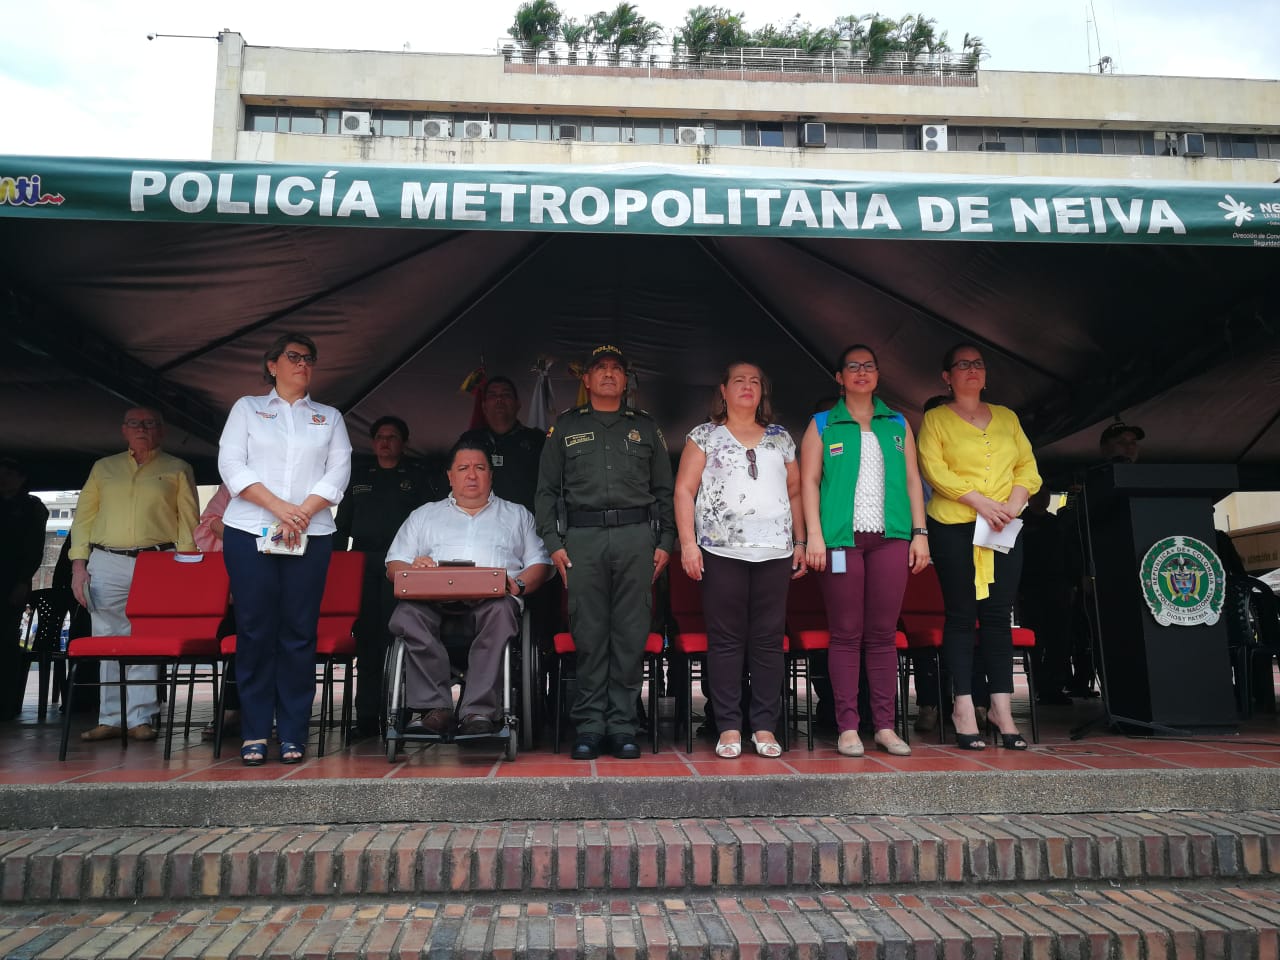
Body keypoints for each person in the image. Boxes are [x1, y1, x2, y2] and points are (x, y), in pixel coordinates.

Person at [535, 344, 675, 761]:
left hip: (635, 537)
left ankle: (623, 725)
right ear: (587, 380)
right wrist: (554, 545)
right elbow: (544, 492)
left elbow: (665, 492)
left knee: (630, 635)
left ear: (626, 379)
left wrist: (665, 543)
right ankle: (591, 726)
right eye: (601, 369)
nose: (609, 374)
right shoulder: (565, 427)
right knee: (590, 635)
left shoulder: (647, 428)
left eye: (617, 368)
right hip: (583, 539)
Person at [218, 333, 352, 765]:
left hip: (310, 534)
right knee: (256, 630)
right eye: (293, 357)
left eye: (309, 358)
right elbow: (231, 464)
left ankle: (293, 731)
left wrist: (301, 514)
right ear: (272, 365)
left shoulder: (328, 416)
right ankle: (255, 730)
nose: (303, 364)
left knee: (298, 633)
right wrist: (280, 508)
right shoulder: (247, 408)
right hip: (248, 530)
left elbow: (339, 472)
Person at [801, 345, 929, 759]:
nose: (861, 372)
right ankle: (848, 727)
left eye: (868, 366)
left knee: (882, 635)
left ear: (877, 375)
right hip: (840, 541)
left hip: (891, 538)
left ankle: (886, 726)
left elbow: (913, 480)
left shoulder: (897, 424)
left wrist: (920, 533)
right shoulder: (822, 424)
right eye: (852, 367)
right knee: (845, 634)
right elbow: (808, 484)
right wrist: (814, 536)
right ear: (838, 377)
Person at [674, 362, 803, 759]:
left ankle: (764, 726)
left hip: (775, 551)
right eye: (739, 381)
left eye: (755, 382)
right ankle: (728, 726)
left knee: (767, 642)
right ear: (724, 390)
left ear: (763, 391)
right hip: (720, 550)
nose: (747, 387)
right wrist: (688, 544)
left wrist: (800, 540)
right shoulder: (705, 436)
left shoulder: (781, 438)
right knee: (726, 641)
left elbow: (796, 491)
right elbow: (683, 490)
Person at [917, 343, 1042, 751]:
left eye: (978, 364)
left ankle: (1001, 708)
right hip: (955, 525)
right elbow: (934, 469)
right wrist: (980, 502)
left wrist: (1011, 505)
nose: (972, 370)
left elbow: (1028, 467)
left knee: (997, 616)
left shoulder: (1007, 417)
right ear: (946, 376)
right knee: (960, 615)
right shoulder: (935, 419)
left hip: (1003, 527)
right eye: (963, 365)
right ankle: (964, 706)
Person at [386, 439, 551, 735]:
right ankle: (434, 710)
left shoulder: (517, 515)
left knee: (502, 611)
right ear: (450, 476)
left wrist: (519, 584)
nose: (471, 475)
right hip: (433, 600)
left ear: (491, 474)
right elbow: (394, 564)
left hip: (494, 600)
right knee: (406, 614)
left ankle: (478, 713)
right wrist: (413, 569)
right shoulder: (425, 515)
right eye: (463, 468)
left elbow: (541, 563)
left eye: (479, 468)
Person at [68, 408, 199, 743]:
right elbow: (83, 518)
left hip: (158, 560)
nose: (142, 429)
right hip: (107, 560)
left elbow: (188, 523)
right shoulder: (104, 467)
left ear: (162, 431)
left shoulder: (177, 468)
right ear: (123, 430)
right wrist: (78, 564)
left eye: (150, 423)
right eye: (135, 424)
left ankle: (140, 717)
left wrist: (184, 567)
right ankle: (110, 718)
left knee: (147, 639)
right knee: (107, 639)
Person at [334, 415, 435, 738]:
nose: (385, 442)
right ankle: (365, 717)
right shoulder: (359, 477)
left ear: (403, 442)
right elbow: (341, 529)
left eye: (392, 436)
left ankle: (400, 714)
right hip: (363, 563)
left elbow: (429, 526)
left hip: (403, 567)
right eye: (380, 436)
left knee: (400, 639)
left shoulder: (417, 477)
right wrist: (332, 568)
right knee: (367, 641)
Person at [0, 458, 49, 720]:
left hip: (12, 581)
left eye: (8, 473)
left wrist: (22, 581)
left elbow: (33, 549)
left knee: (6, 641)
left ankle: (7, 703)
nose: (3, 478)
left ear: (21, 478)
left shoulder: (31, 508)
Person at [192, 485, 241, 738]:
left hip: (278, 572)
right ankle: (232, 708)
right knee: (231, 640)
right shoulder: (231, 484)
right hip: (235, 579)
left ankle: (272, 713)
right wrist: (242, 536)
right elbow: (210, 521)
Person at [458, 377, 546, 512]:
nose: (499, 399)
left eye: (506, 394)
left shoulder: (537, 441)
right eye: (492, 395)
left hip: (526, 527)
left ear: (518, 404)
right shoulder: (470, 441)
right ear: (484, 406)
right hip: (478, 526)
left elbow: (552, 489)